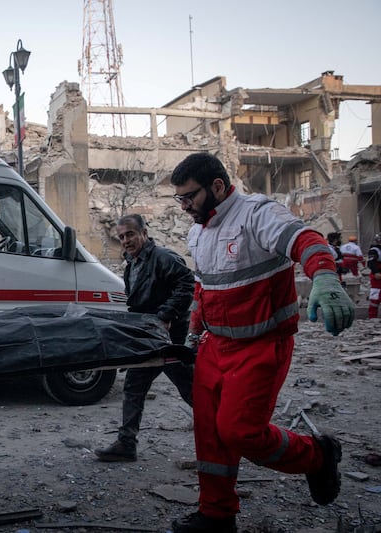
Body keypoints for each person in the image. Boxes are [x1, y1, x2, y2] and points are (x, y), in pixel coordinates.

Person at [168, 153, 355, 533]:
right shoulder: (198, 231)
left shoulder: (257, 214)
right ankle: (216, 515)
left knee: (240, 431)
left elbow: (307, 240)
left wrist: (325, 277)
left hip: (261, 346)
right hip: (214, 346)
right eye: (180, 199)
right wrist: (192, 332)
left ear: (217, 187)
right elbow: (204, 288)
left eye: (189, 196)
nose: (184, 205)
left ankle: (317, 455)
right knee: (209, 433)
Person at [94, 214, 195, 462]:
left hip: (168, 339)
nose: (126, 240)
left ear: (144, 233)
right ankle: (127, 443)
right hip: (148, 338)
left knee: (190, 387)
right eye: (121, 237)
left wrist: (165, 314)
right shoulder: (133, 264)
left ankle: (223, 431)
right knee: (134, 385)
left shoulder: (163, 258)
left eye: (130, 234)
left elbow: (187, 283)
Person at [367, 233, 381, 319]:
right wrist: (376, 272)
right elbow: (371, 263)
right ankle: (372, 317)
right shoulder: (374, 250)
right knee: (375, 297)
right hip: (377, 276)